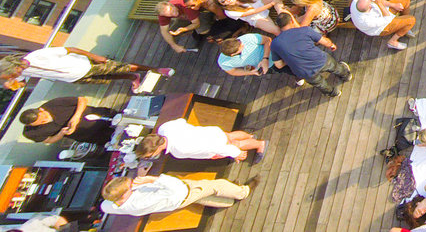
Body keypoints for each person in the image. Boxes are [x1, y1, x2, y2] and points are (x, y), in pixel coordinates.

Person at [0, 47, 171, 92]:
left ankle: (156, 69)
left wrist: (95, 56)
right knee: (109, 78)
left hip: (85, 65)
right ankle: (132, 78)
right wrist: (12, 85)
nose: (13, 77)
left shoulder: (37, 56)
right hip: (74, 77)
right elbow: (22, 84)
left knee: (121, 66)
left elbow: (71, 49)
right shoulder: (24, 72)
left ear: (14, 67)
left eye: (10, 74)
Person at [269, 11, 352, 96]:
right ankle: (346, 76)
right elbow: (325, 42)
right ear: (292, 21)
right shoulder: (305, 30)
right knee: (335, 68)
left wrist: (289, 57)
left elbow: (278, 65)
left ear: (279, 27)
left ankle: (333, 93)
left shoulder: (275, 44)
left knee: (320, 84)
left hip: (304, 71)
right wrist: (331, 45)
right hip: (320, 60)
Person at [100, 174, 257, 217]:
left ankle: (228, 201)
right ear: (124, 194)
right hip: (182, 194)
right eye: (129, 187)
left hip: (175, 202)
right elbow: (176, 187)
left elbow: (104, 206)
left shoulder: (112, 205)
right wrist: (153, 179)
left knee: (204, 199)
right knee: (216, 185)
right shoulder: (140, 202)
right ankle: (243, 192)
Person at [134, 119, 267, 163]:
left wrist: (235, 153)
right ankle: (249, 136)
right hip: (210, 132)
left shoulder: (178, 150)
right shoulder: (164, 128)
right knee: (231, 135)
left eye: (150, 155)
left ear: (156, 149)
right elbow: (181, 121)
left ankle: (259, 144)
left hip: (216, 145)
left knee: (236, 144)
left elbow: (212, 148)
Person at [155, 0, 238, 52]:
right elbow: (164, 31)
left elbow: (196, 23)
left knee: (204, 31)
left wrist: (184, 29)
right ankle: (194, 32)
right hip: (187, 18)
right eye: (169, 15)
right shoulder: (163, 13)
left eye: (172, 11)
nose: (172, 14)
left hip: (198, 15)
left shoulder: (186, 6)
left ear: (172, 5)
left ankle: (206, 27)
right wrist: (174, 46)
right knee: (171, 32)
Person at [19, 96, 117, 145]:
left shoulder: (52, 104)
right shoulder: (30, 133)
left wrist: (76, 116)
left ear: (41, 110)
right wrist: (61, 134)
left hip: (101, 117)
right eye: (41, 123)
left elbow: (81, 99)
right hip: (91, 135)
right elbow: (48, 140)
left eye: (43, 118)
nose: (45, 121)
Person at [348, 0, 416, 50]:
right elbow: (387, 19)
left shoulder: (357, 1)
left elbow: (378, 0)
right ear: (369, 6)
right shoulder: (366, 21)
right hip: (381, 27)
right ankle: (392, 41)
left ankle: (403, 24)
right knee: (411, 20)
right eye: (370, 1)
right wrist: (379, 3)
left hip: (382, 12)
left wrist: (393, 5)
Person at [216, 0, 284, 36]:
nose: (227, 0)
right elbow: (253, 12)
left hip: (260, 3)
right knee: (276, 31)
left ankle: (282, 13)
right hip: (255, 18)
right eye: (223, 1)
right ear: (222, 5)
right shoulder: (229, 12)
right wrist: (272, 3)